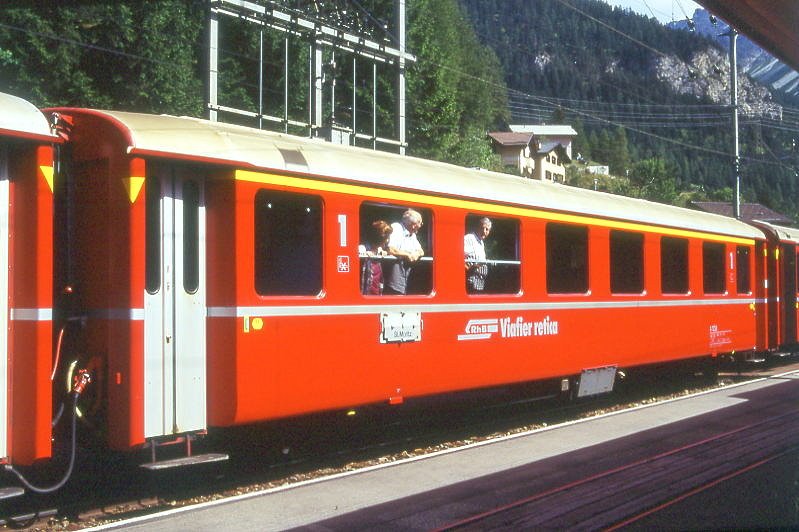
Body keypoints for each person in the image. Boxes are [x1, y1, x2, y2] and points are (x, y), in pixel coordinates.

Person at [384, 209, 424, 295]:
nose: (421, 226)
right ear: (413, 225)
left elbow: (421, 251)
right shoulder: (396, 228)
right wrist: (408, 254)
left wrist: (416, 254)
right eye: (420, 223)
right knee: (395, 296)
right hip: (394, 270)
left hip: (407, 270)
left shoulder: (412, 234)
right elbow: (390, 249)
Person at [359, 220, 392, 295]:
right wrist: (364, 254)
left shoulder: (379, 249)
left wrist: (385, 253)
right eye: (387, 237)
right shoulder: (363, 248)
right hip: (365, 287)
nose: (388, 240)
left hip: (376, 285)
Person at [464, 217, 492, 293]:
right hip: (471, 282)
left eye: (487, 230)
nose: (484, 231)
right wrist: (472, 267)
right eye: (482, 228)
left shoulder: (481, 242)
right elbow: (458, 258)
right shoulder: (469, 238)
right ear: (477, 227)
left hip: (480, 283)